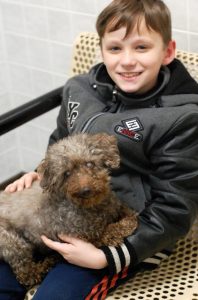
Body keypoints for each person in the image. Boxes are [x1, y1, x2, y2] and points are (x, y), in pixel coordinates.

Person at [2, 0, 198, 299]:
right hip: (57, 217)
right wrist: (38, 174)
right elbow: (58, 145)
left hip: (123, 235)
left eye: (141, 48)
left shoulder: (182, 118)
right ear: (102, 50)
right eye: (115, 48)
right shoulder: (78, 88)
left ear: (167, 51)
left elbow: (175, 209)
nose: (127, 61)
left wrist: (106, 257)